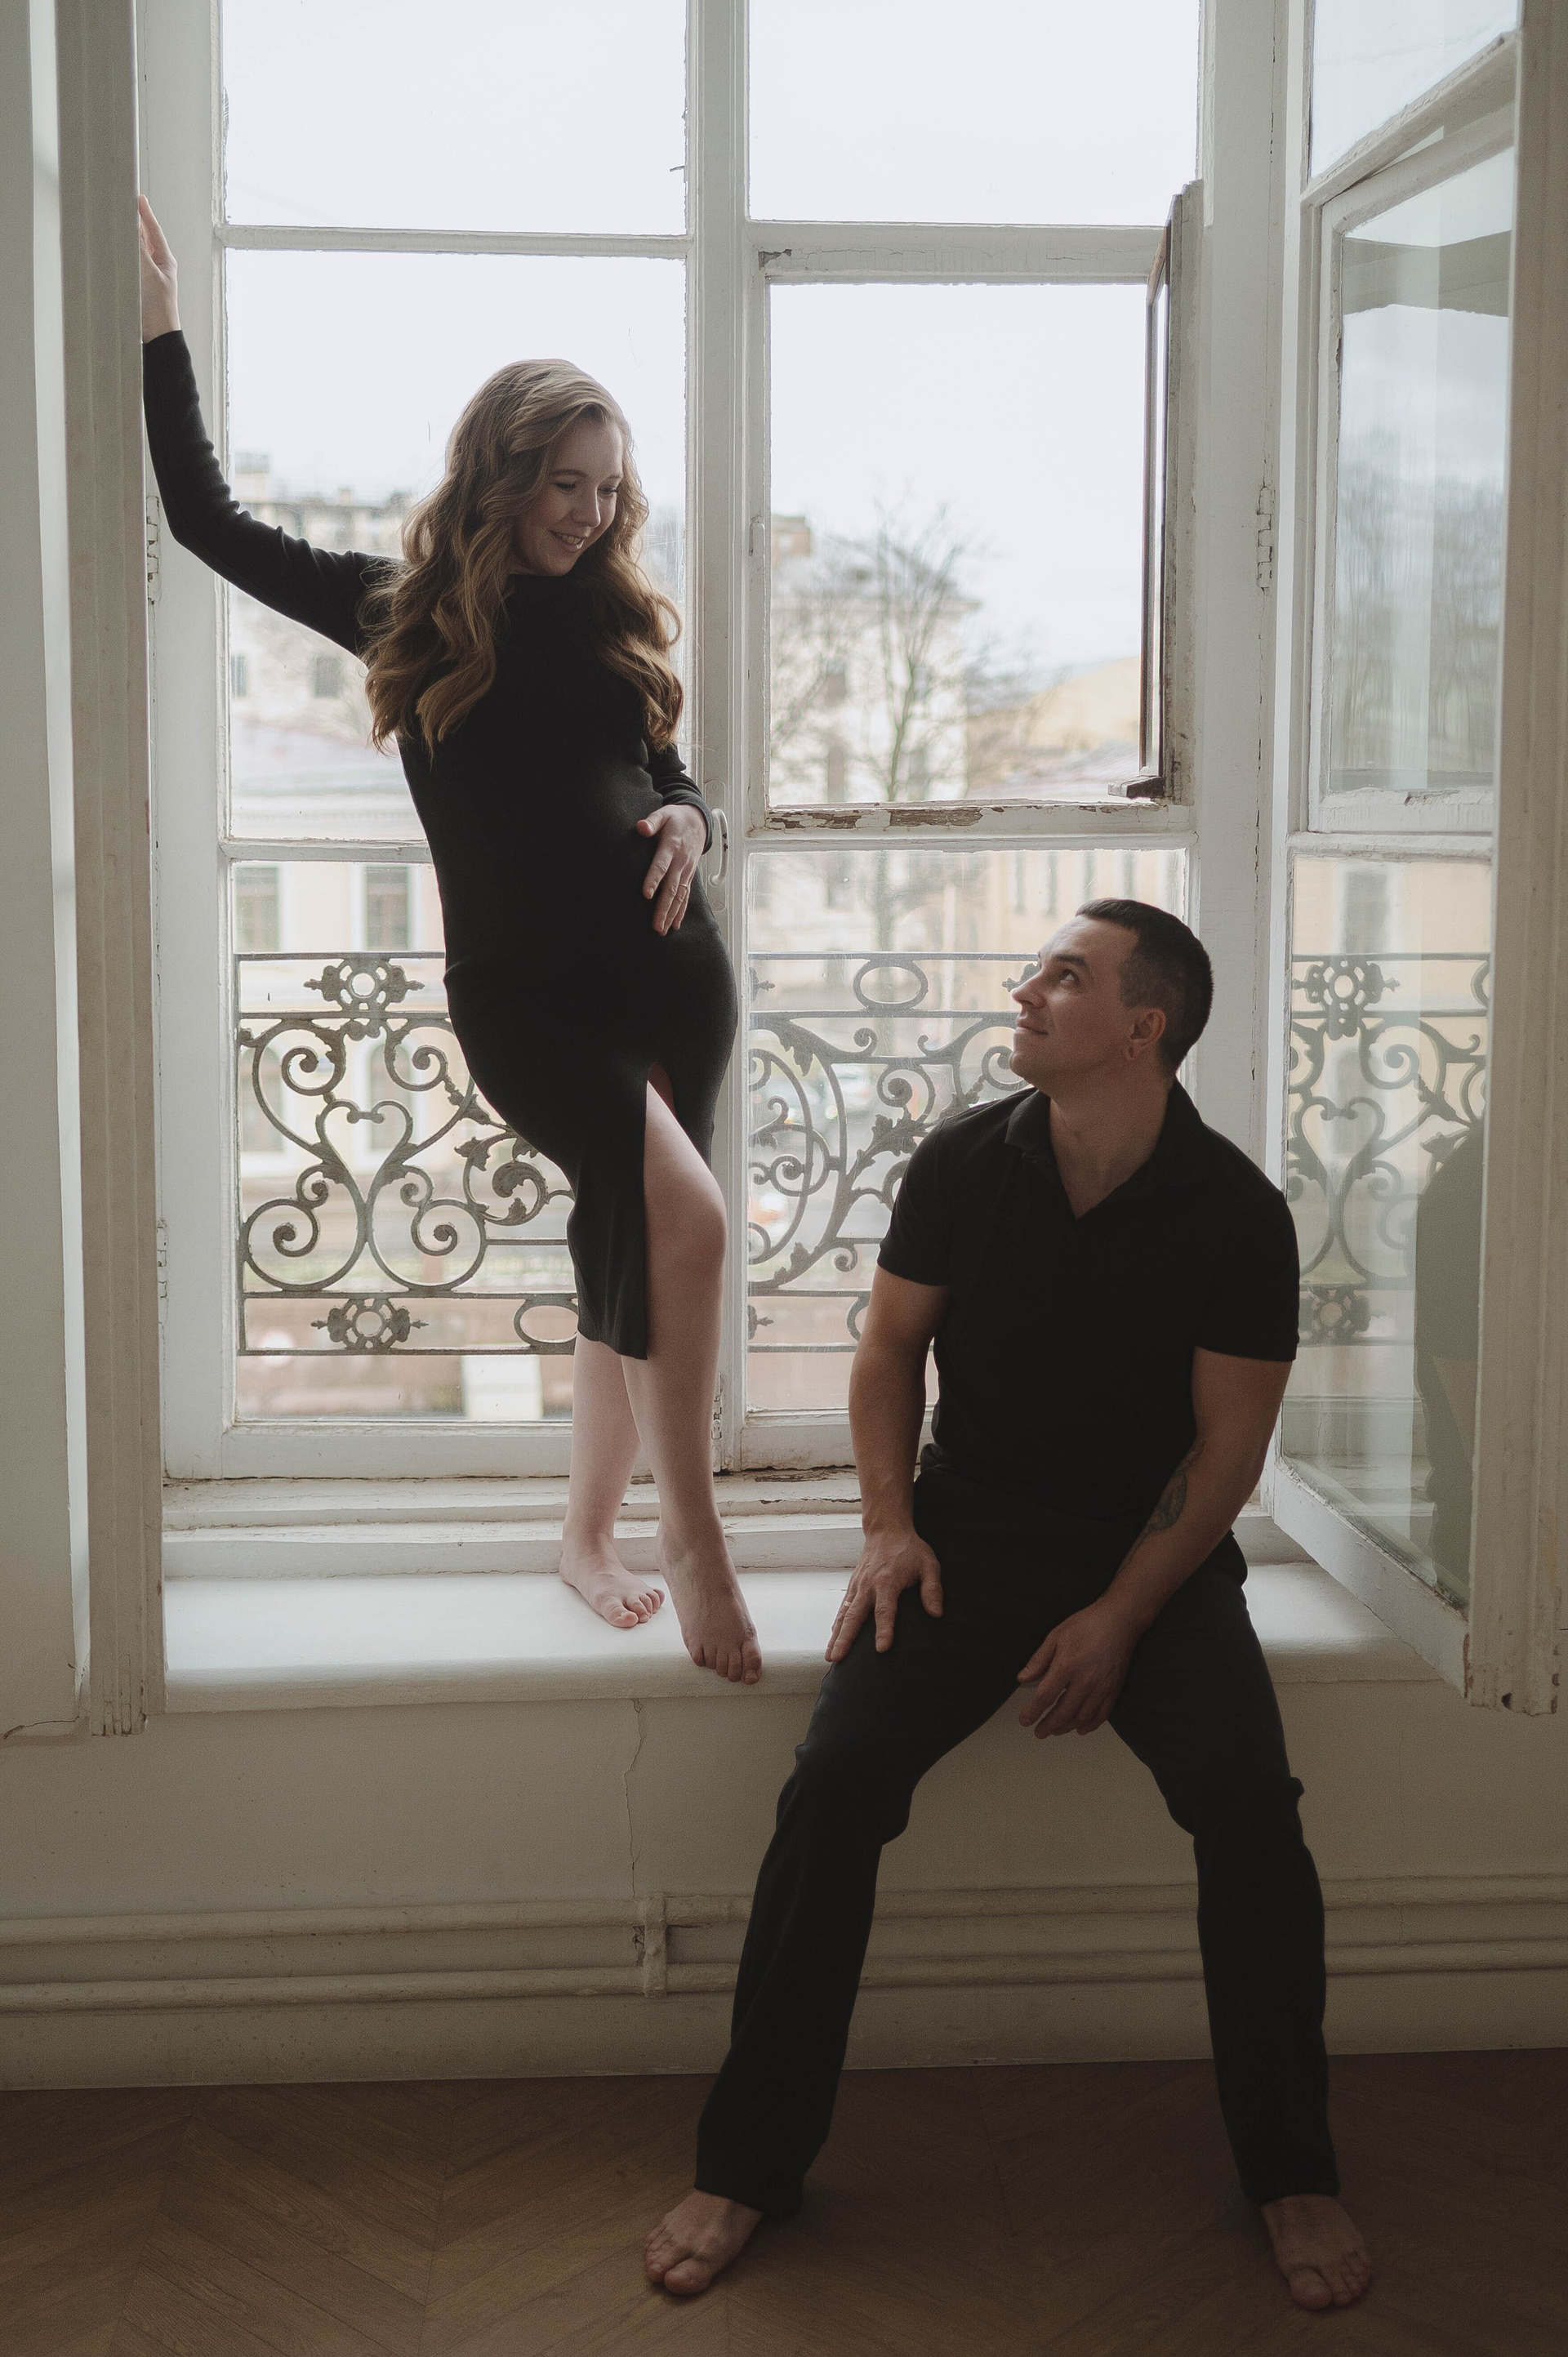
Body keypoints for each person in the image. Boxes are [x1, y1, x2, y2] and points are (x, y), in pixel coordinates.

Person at [645, 900, 1375, 2311]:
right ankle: (746, 2163)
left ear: (1144, 1026)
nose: (1025, 990)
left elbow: (1227, 1453)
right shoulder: (963, 1161)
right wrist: (889, 1528)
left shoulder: (1238, 1213)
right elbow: (887, 1354)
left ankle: (1293, 2168)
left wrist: (1121, 1617)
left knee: (1250, 1812)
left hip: (1153, 1560)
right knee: (834, 1785)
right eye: (1037, 968)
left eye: (1064, 975)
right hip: (964, 1538)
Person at [136, 197, 759, 1683]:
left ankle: (587, 1536)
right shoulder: (402, 611)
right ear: (500, 471)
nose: (588, 512)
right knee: (688, 1224)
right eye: (563, 482)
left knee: (632, 1250)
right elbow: (206, 521)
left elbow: (663, 773)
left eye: (608, 488)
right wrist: (159, 330)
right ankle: (695, 1538)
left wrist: (695, 822)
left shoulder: (615, 620)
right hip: (530, 998)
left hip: (673, 974)